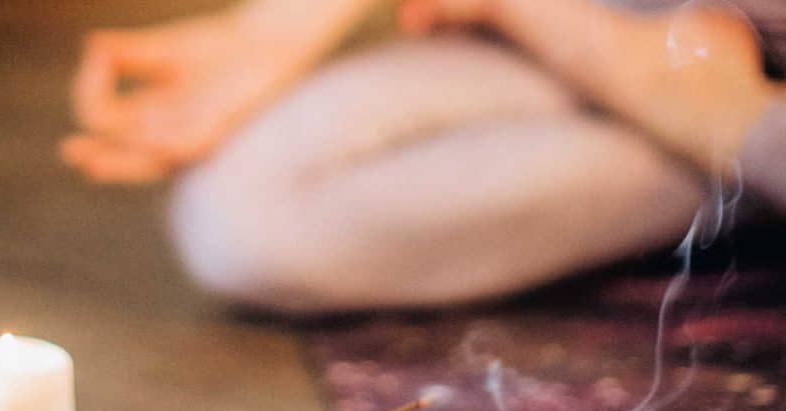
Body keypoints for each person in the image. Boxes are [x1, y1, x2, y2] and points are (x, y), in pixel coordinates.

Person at [62, 0, 785, 312]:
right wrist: (276, 32)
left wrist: (729, 121)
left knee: (256, 222)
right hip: (578, 26)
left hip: (747, 88)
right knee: (236, 208)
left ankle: (741, 176)